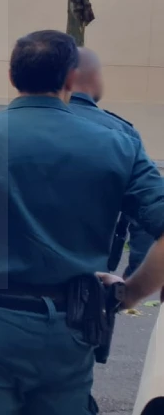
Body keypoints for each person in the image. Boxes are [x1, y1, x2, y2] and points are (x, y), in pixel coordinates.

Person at [0, 30, 164, 415]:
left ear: (12, 77)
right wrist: (130, 293)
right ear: (71, 80)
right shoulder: (117, 142)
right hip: (69, 329)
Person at [69, 47, 156, 277]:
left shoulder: (0, 129)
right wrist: (131, 284)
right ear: (94, 77)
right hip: (84, 288)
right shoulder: (121, 135)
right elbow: (146, 217)